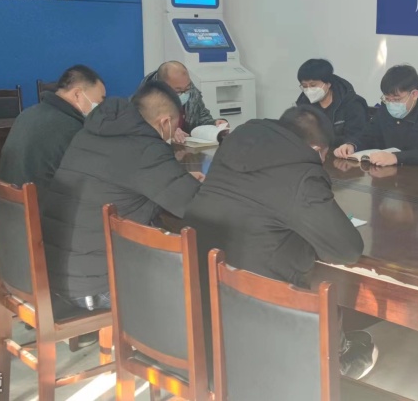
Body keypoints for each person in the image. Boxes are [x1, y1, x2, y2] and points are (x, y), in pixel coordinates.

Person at [185, 105, 376, 380]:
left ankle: (337, 348)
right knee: (318, 282)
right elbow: (346, 250)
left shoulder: (236, 142)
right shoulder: (301, 173)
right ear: (316, 149)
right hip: (262, 318)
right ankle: (333, 361)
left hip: (201, 302)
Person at [41, 81, 204, 311]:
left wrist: (178, 180)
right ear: (165, 122)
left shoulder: (89, 134)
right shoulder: (146, 149)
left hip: (55, 274)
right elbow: (195, 206)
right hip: (95, 287)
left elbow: (125, 183)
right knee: (200, 282)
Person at [0, 65, 105, 195]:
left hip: (6, 203)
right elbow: (92, 179)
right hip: (42, 205)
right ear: (77, 94)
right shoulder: (72, 128)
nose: (99, 109)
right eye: (99, 102)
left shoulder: (27, 114)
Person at [333, 64, 418, 166]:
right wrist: (352, 145)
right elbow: (369, 134)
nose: (391, 103)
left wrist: (397, 157)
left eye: (397, 99)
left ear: (414, 94)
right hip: (388, 174)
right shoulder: (386, 107)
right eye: (387, 98)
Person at [141, 61, 227, 143]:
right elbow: (141, 130)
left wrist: (214, 123)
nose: (184, 94)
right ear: (162, 87)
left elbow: (201, 118)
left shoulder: (193, 94)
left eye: (187, 88)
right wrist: (167, 133)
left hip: (187, 147)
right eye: (178, 91)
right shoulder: (145, 102)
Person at [295, 58, 370, 149]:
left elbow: (356, 138)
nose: (309, 90)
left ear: (328, 83)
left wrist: (323, 141)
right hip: (312, 153)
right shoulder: (304, 105)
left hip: (342, 154)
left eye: (313, 85)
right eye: (304, 86)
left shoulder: (352, 103)